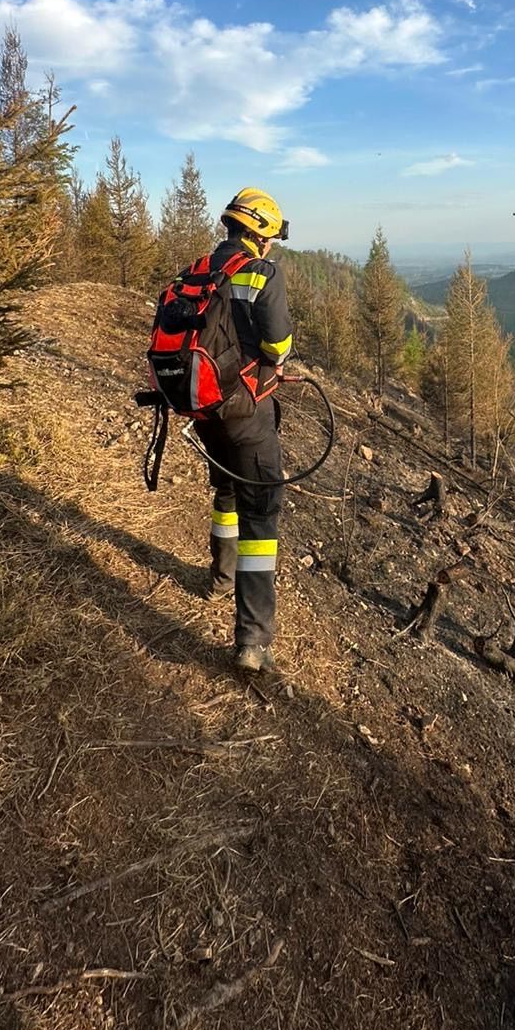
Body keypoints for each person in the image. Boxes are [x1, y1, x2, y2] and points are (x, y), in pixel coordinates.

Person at [193, 188, 293, 674]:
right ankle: (253, 641)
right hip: (245, 411)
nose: (271, 246)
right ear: (258, 234)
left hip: (202, 409)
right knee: (261, 511)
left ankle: (219, 576)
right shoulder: (262, 272)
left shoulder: (197, 269)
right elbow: (278, 346)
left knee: (226, 487)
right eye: (270, 237)